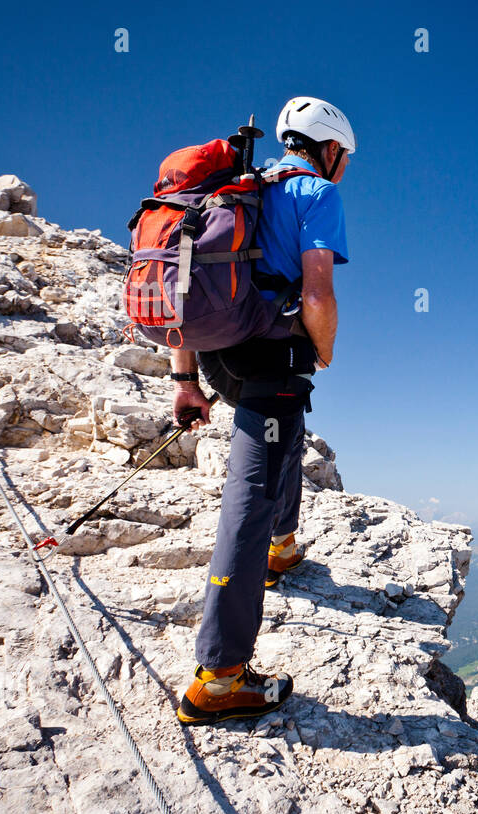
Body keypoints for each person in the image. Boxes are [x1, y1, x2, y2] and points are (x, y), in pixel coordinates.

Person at [169, 96, 354, 725]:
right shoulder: (315, 195)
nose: (344, 167)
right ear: (328, 149)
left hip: (220, 359)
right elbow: (318, 293)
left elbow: (191, 289)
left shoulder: (235, 193)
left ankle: (283, 546)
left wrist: (187, 382)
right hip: (269, 363)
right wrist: (323, 351)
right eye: (344, 157)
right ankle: (220, 676)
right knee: (248, 494)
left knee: (285, 437)